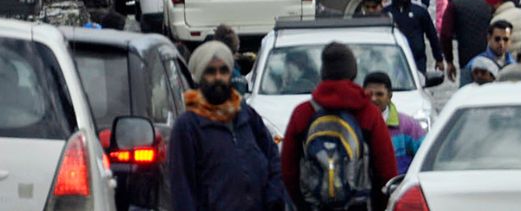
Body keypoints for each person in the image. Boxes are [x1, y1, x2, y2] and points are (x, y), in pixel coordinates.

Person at [280, 42, 397, 211]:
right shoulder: (368, 113)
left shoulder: (303, 113)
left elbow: (288, 172)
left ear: (323, 73)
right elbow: (386, 171)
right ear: (353, 72)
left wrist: (303, 204)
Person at [170, 42, 286, 211]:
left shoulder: (247, 116)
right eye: (211, 71)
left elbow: (273, 158)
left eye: (223, 71)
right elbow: (182, 189)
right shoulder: (188, 126)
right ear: (199, 77)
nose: (218, 77)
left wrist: (274, 196)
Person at [363, 72, 426, 174]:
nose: (373, 99)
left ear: (389, 96)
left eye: (379, 94)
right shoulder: (355, 125)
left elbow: (426, 159)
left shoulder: (409, 127)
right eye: (369, 94)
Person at [385, 0, 446, 75]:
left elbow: (432, 35)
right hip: (392, 60)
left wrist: (438, 58)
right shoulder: (385, 13)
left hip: (417, 60)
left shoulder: (420, 10)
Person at [439, 0, 492, 81]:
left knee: (467, 90)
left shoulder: (454, 4)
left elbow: (445, 34)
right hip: (489, 57)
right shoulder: (484, 0)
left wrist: (449, 61)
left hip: (466, 59)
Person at [459, 20, 515, 86]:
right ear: (489, 38)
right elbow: (463, 90)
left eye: (505, 39)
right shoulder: (473, 64)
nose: (501, 43)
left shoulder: (514, 64)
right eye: (497, 39)